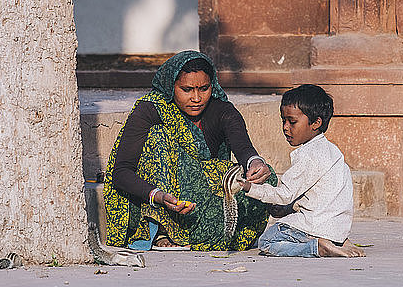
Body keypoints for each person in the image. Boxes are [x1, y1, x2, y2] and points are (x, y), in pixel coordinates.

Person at [103, 50, 276, 251]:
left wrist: (254, 162)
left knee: (267, 177)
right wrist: (158, 196)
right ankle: (163, 230)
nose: (196, 98)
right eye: (186, 90)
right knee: (159, 136)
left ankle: (209, 232)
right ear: (171, 87)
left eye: (204, 89)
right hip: (163, 197)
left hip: (205, 194)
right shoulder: (150, 110)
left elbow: (243, 147)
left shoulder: (221, 109)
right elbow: (121, 172)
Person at [240, 84, 365, 257]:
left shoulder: (308, 156)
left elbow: (284, 195)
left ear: (316, 123)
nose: (285, 127)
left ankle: (316, 248)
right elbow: (318, 196)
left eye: (292, 122)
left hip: (315, 225)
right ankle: (337, 242)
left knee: (267, 241)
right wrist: (287, 209)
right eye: (283, 120)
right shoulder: (333, 151)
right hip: (337, 228)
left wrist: (249, 187)